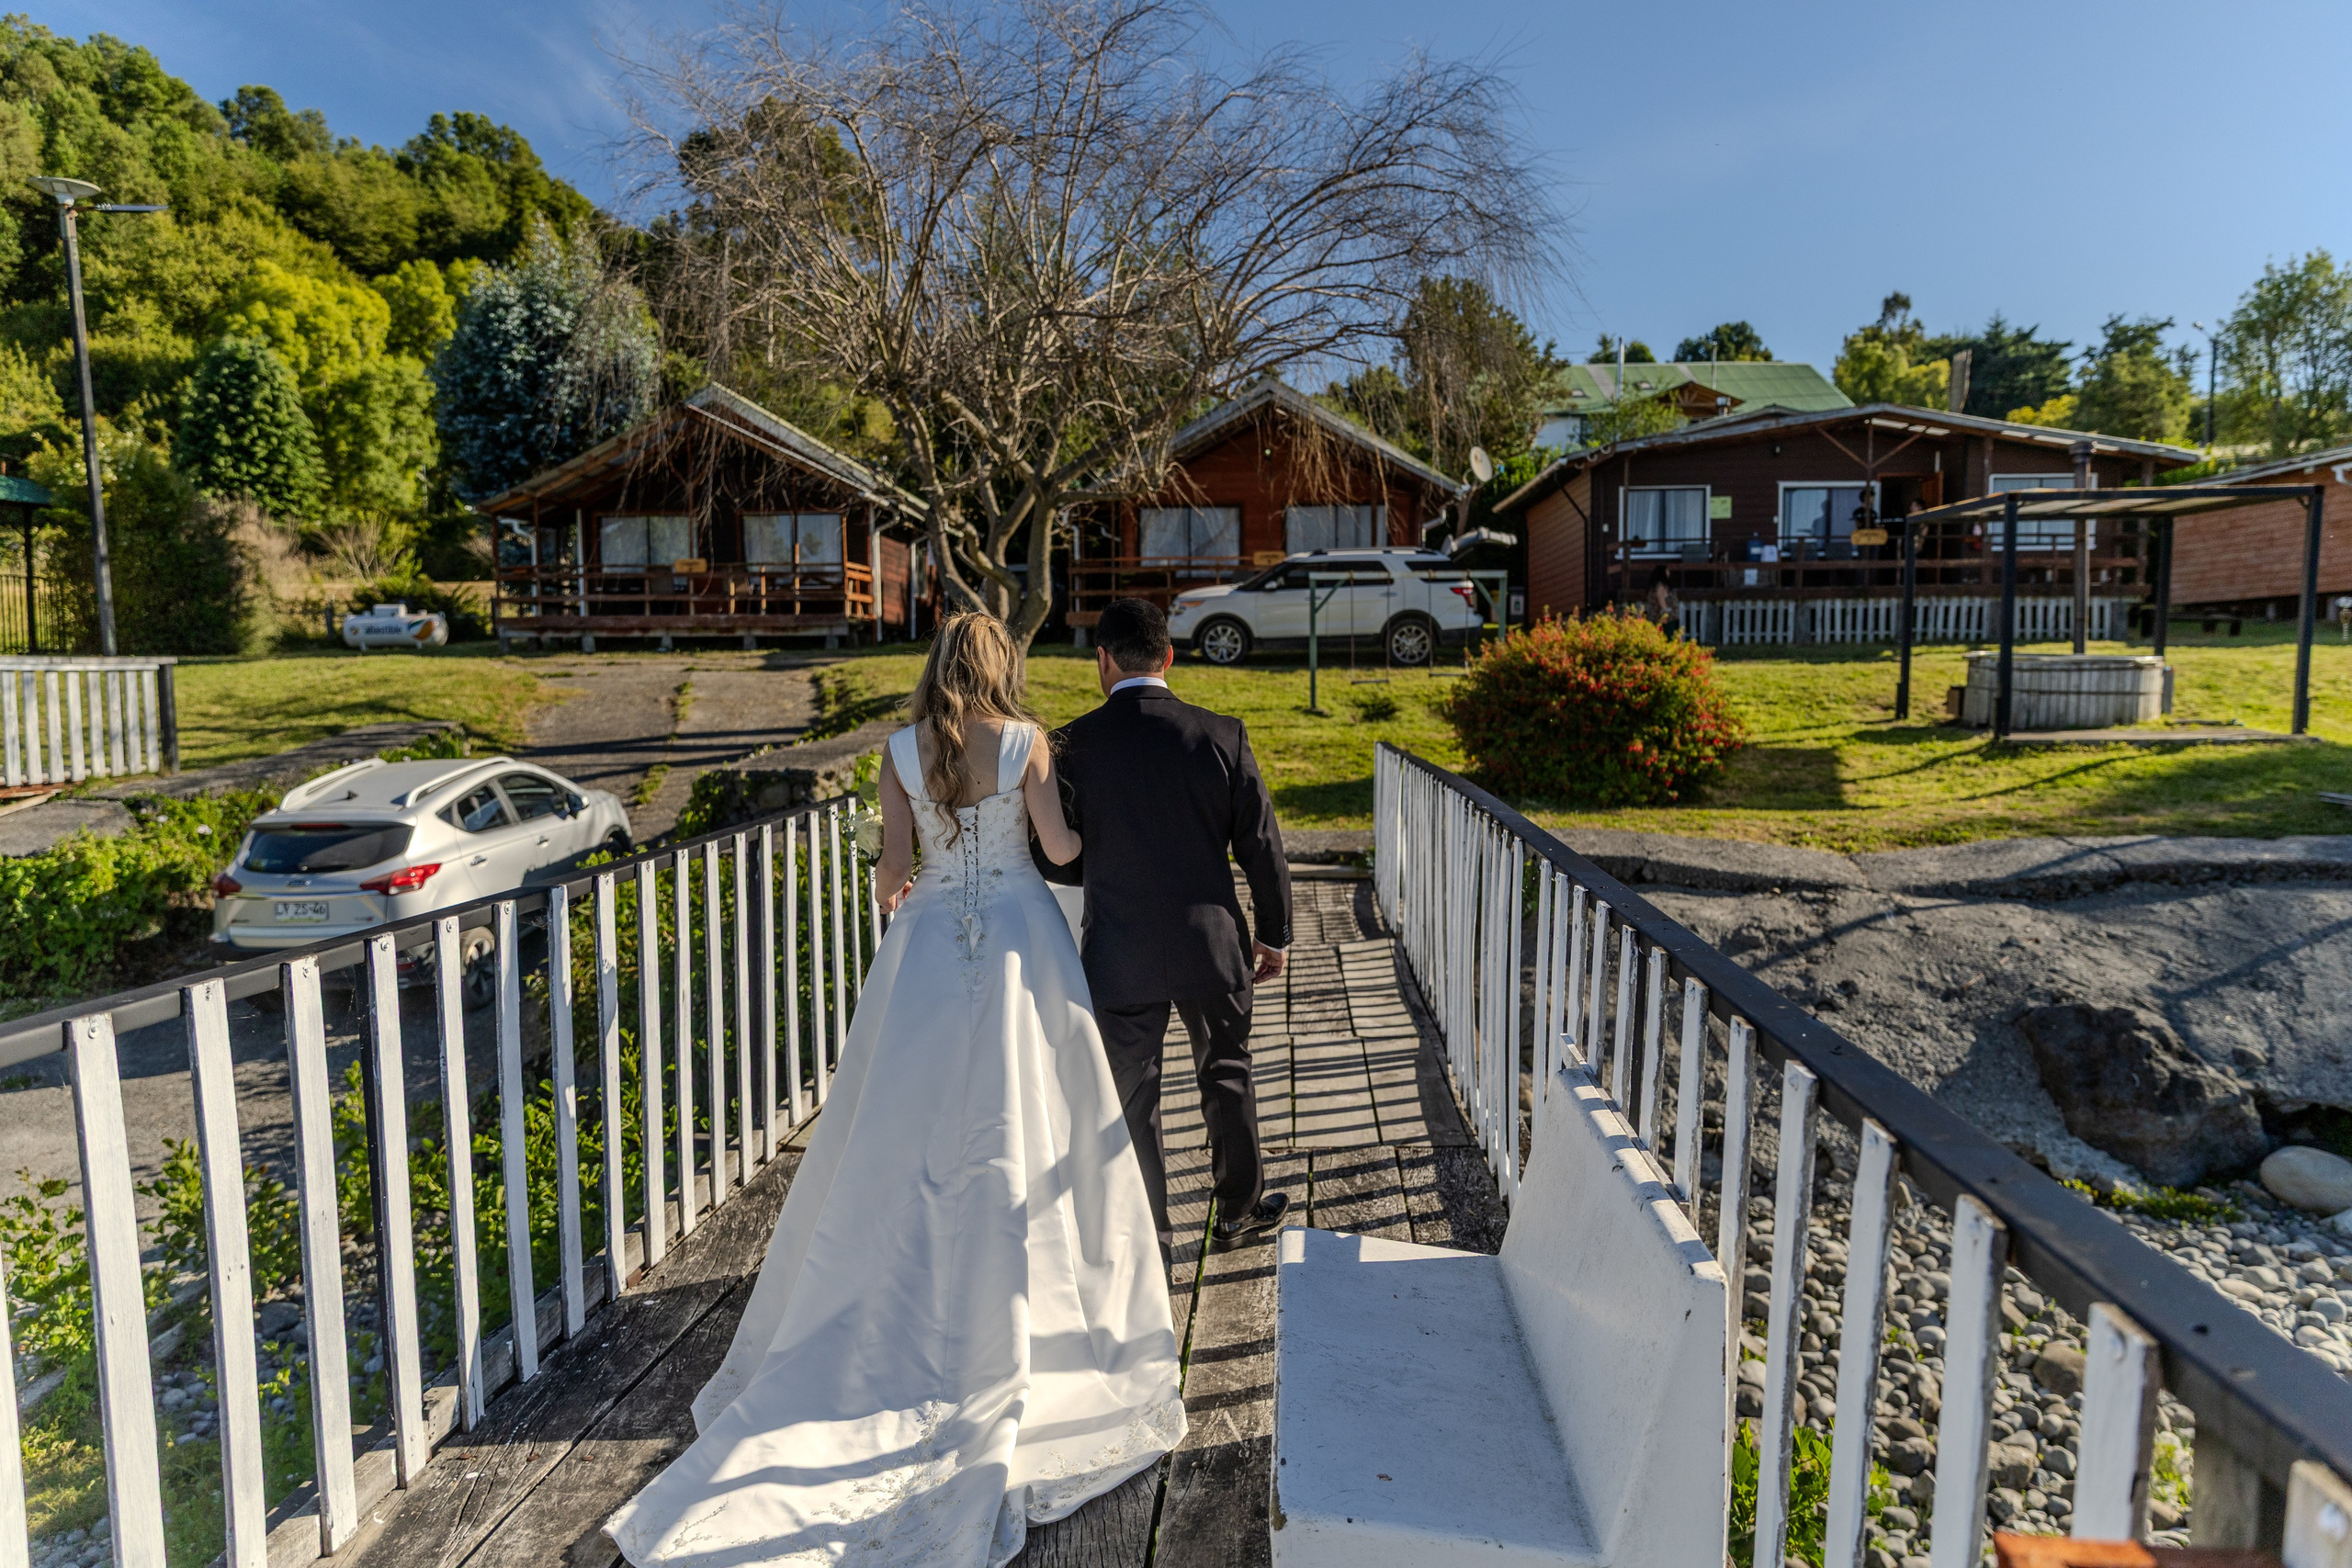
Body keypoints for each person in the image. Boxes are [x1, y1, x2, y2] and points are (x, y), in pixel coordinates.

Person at [605, 611, 1182, 1567]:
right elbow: (1063, 854)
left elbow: (892, 873)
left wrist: (910, 894)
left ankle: (895, 1284)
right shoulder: (1030, 743)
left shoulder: (896, 752)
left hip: (924, 954)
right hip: (1017, 940)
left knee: (900, 1124)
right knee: (1031, 1115)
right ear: (1000, 665)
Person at [1037, 597, 1293, 1261]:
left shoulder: (1070, 744)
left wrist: (1109, 867)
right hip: (1213, 943)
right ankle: (1237, 1210)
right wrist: (1274, 934)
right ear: (1169, 656)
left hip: (1118, 947)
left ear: (1103, 659)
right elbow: (1261, 844)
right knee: (1228, 1071)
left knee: (1131, 1091)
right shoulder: (1222, 734)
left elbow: (1051, 856)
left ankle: (1150, 1232)